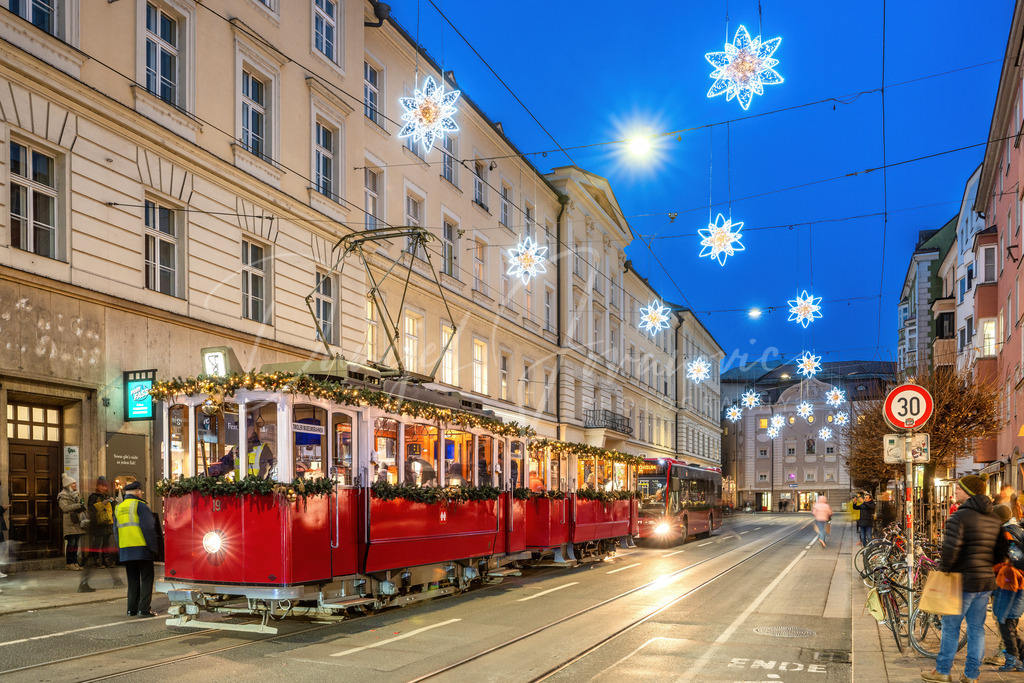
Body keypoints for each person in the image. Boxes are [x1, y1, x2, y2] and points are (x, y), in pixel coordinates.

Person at [922, 473, 1006, 683]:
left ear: (968, 493)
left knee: (951, 627)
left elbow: (950, 552)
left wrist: (945, 570)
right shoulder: (995, 518)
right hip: (985, 582)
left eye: (958, 488)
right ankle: (971, 676)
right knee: (976, 629)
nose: (955, 491)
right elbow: (1000, 554)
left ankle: (942, 671)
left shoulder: (958, 517)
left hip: (962, 582)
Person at [114, 481, 159, 618]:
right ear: (138, 492)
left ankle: (131, 609)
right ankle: (144, 609)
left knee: (132, 579)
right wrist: (153, 548)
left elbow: (116, 531)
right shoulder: (141, 506)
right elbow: (148, 528)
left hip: (126, 549)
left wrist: (120, 549)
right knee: (147, 577)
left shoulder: (119, 507)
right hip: (141, 548)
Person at [991, 504, 1024, 672]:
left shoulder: (1006, 534)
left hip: (1009, 585)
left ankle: (1012, 659)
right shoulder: (1016, 529)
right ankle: (1020, 658)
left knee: (1005, 622)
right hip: (1015, 584)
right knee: (1010, 623)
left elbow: (1010, 560)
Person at [79, 477, 124, 593]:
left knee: (107, 552)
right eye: (102, 486)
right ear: (97, 486)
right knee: (96, 551)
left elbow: (113, 511)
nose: (104, 488)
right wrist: (101, 504)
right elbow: (91, 510)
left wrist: (112, 502)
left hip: (106, 527)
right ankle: (84, 582)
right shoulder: (93, 497)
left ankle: (116, 580)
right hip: (97, 527)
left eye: (106, 486)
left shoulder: (107, 497)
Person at [57, 473, 87, 570]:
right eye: (73, 484)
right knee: (71, 543)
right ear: (68, 485)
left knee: (76, 543)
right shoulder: (62, 495)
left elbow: (81, 502)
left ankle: (75, 562)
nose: (76, 485)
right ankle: (69, 563)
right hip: (70, 522)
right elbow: (65, 508)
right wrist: (78, 506)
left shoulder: (76, 494)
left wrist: (81, 503)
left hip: (77, 521)